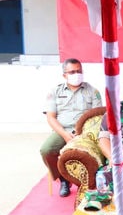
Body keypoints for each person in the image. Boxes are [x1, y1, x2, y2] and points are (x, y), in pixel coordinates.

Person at [41, 58, 102, 197]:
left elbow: (96, 116)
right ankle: (63, 179)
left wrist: (81, 132)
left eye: (79, 71)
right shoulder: (54, 92)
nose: (76, 74)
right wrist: (64, 135)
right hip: (62, 130)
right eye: (72, 72)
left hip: (84, 131)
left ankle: (88, 181)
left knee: (91, 151)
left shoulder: (93, 91)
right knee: (46, 150)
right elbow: (51, 117)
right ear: (64, 75)